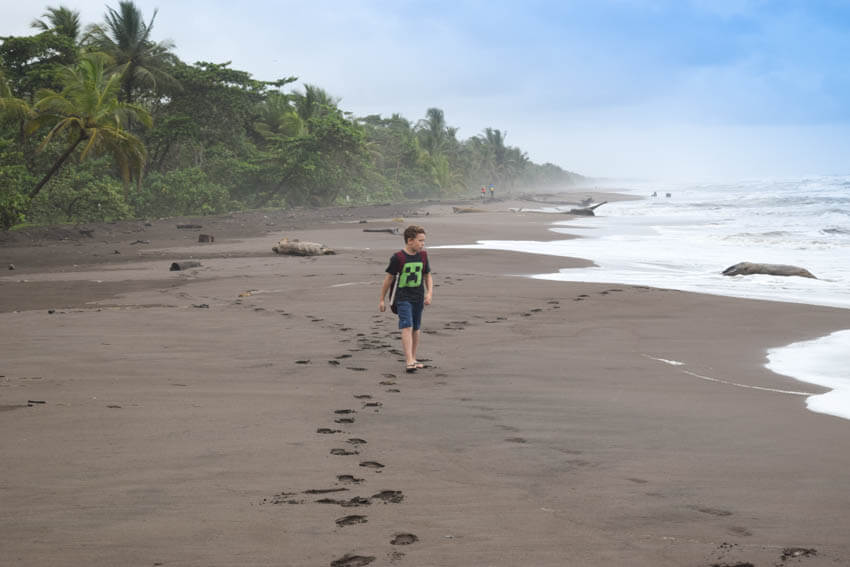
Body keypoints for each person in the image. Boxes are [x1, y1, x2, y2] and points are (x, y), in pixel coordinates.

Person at [379, 225, 433, 373]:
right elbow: (389, 278)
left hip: (418, 297)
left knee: (416, 328)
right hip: (402, 298)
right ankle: (409, 360)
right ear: (410, 240)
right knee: (407, 326)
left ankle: (414, 358)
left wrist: (429, 294)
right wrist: (382, 300)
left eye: (424, 241)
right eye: (420, 241)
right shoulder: (398, 258)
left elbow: (427, 275)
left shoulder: (423, 256)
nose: (423, 244)